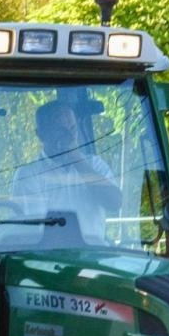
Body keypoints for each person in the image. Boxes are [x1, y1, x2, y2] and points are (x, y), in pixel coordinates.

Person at [12, 100, 121, 242]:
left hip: (94, 255)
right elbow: (35, 229)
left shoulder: (95, 165)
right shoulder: (28, 175)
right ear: (41, 134)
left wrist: (78, 161)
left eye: (73, 129)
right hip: (47, 258)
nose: (70, 137)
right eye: (61, 131)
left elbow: (115, 203)